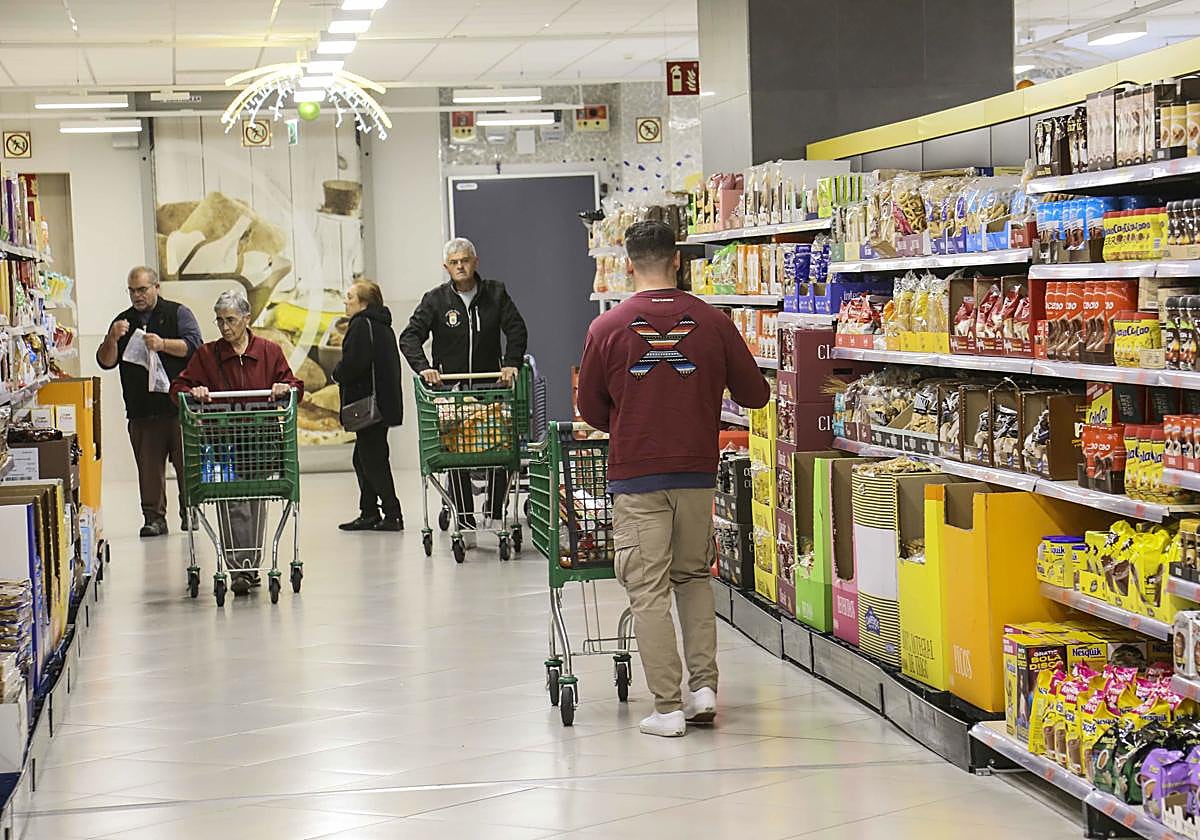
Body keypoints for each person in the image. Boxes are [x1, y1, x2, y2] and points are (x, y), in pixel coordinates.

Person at [576, 220, 770, 737]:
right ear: (678, 261)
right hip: (697, 473)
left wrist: (631, 414)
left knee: (648, 590)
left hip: (636, 475)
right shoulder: (713, 321)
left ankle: (666, 708)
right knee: (692, 577)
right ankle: (703, 689)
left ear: (628, 264)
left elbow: (589, 407)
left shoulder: (607, 328)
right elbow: (755, 394)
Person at [170, 290, 304, 596]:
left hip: (261, 443)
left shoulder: (269, 351)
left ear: (247, 319)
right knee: (232, 501)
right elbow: (179, 388)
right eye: (219, 320)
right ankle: (240, 567)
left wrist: (284, 387)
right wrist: (195, 392)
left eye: (230, 320)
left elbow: (295, 385)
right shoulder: (207, 355)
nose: (224, 327)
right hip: (223, 443)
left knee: (255, 499)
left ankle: (249, 565)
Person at [399, 237, 528, 545]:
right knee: (457, 455)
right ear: (446, 267)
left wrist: (511, 363)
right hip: (453, 392)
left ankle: (495, 512)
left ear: (475, 262)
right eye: (454, 262)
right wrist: (425, 368)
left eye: (465, 261)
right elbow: (409, 336)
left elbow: (517, 329)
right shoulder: (435, 300)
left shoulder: (495, 293)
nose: (460, 266)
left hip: (490, 389)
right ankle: (465, 520)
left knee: (498, 450)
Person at [96, 266, 203, 538]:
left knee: (188, 464)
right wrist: (112, 338)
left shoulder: (178, 313)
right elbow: (106, 362)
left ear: (156, 287)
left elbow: (195, 346)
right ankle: (154, 518)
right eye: (132, 291)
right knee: (148, 469)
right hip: (142, 410)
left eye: (142, 289)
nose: (137, 295)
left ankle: (190, 511)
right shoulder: (122, 322)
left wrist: (163, 344)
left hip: (179, 408)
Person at [332, 281, 404, 532]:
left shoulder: (361, 324)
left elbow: (354, 362)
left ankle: (392, 513)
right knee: (364, 458)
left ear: (363, 303)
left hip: (367, 405)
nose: (346, 301)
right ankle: (369, 511)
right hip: (383, 403)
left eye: (350, 296)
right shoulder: (382, 325)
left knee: (372, 460)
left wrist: (337, 373)